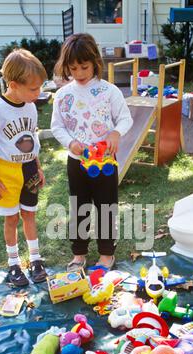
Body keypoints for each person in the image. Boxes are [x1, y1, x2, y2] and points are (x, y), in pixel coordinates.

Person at [51, 33, 133, 272]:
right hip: (77, 162)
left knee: (106, 206)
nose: (79, 73)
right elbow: (57, 126)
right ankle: (79, 254)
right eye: (73, 68)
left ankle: (107, 254)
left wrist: (115, 134)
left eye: (84, 67)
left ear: (95, 62)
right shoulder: (63, 96)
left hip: (105, 161)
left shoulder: (109, 92)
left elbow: (125, 119)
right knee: (79, 207)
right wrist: (70, 143)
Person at [0, 48, 48, 287]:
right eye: (33, 88)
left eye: (39, 87)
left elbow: (33, 140)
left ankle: (36, 259)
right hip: (6, 173)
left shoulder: (29, 106)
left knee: (30, 214)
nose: (38, 93)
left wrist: (38, 168)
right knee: (11, 220)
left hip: (28, 170)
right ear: (13, 84)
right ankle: (14, 264)